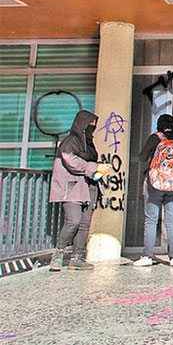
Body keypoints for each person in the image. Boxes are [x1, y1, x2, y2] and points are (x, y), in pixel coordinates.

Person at [49, 110, 106, 272]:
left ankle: (77, 257)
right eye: (90, 124)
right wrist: (95, 167)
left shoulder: (87, 142)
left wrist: (100, 167)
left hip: (89, 187)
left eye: (94, 124)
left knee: (84, 224)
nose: (93, 127)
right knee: (73, 221)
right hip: (72, 187)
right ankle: (59, 253)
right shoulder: (71, 141)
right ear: (82, 124)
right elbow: (71, 161)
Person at [134, 114, 173, 267]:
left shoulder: (155, 138)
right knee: (172, 221)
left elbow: (142, 157)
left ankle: (147, 256)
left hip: (154, 186)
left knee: (151, 221)